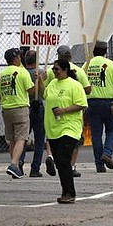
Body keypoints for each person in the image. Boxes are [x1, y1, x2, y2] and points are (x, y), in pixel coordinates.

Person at [44, 58, 88, 204]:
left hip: (69, 127)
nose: (54, 72)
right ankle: (65, 191)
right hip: (53, 128)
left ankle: (69, 192)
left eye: (57, 69)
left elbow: (82, 104)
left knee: (63, 159)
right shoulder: (51, 84)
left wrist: (64, 110)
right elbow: (44, 96)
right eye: (53, 69)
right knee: (60, 162)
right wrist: (40, 81)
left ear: (65, 70)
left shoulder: (74, 85)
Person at [45, 45, 91, 178]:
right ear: (70, 56)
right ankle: (71, 165)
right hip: (65, 117)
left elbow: (43, 92)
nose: (55, 71)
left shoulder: (50, 71)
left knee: (58, 141)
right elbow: (88, 89)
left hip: (60, 114)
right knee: (73, 143)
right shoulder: (79, 71)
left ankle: (50, 156)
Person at [83, 41, 113, 173]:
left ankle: (99, 164)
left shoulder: (86, 65)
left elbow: (81, 85)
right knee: (111, 130)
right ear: (105, 51)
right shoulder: (111, 65)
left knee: (96, 134)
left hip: (91, 103)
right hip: (108, 102)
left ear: (93, 51)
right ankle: (107, 152)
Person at [0, 48, 34, 178]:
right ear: (16, 58)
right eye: (19, 57)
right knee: (21, 138)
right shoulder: (22, 72)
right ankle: (13, 163)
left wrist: (5, 102)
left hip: (6, 109)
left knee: (11, 140)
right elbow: (31, 90)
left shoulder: (2, 74)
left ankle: (15, 167)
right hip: (20, 107)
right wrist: (39, 80)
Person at [22, 50, 47, 177]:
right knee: (39, 139)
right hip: (38, 106)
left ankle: (19, 164)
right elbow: (43, 93)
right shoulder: (41, 73)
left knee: (23, 138)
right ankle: (35, 168)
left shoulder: (22, 73)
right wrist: (41, 80)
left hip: (25, 106)